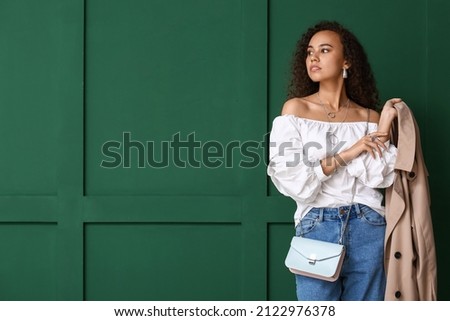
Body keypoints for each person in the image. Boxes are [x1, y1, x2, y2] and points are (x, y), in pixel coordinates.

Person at [267, 20, 400, 301]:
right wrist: (350, 153)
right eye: (309, 52)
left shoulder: (368, 117)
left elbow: (381, 176)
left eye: (324, 50)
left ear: (347, 61)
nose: (313, 57)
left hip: (369, 225)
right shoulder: (295, 110)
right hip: (318, 224)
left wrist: (384, 128)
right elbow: (295, 179)